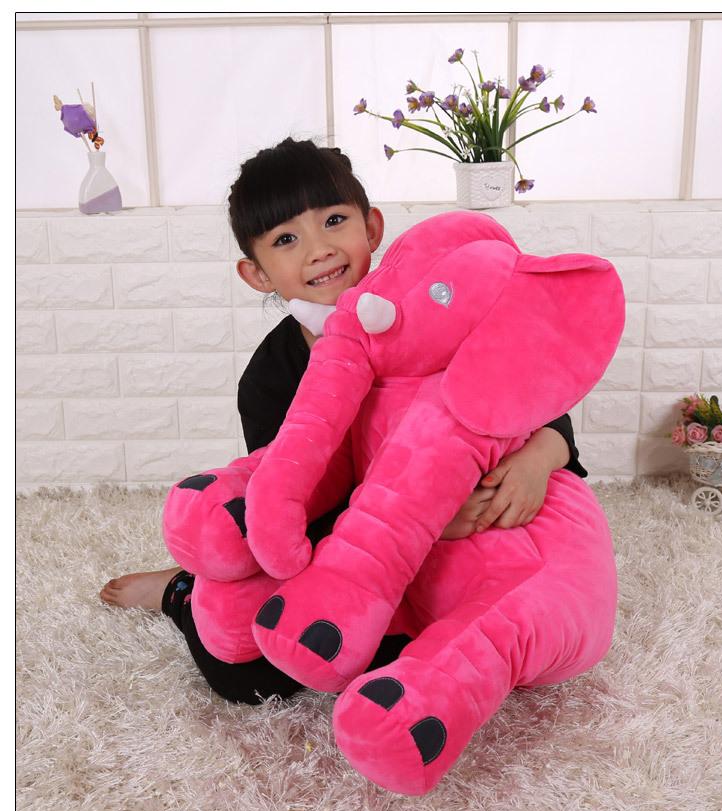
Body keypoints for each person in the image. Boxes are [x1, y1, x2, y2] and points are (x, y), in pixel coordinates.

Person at [100, 137, 587, 704]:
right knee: (243, 667)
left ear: (372, 228)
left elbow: (535, 397)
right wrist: (420, 519)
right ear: (256, 274)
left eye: (334, 221)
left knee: (517, 611)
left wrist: (537, 460)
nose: (320, 249)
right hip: (359, 543)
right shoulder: (270, 378)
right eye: (286, 239)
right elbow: (292, 514)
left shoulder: (438, 308)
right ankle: (182, 591)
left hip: (469, 533)